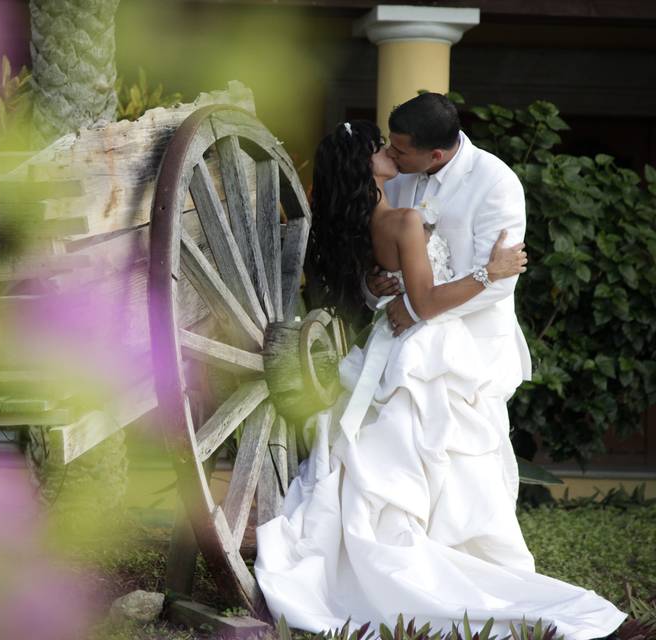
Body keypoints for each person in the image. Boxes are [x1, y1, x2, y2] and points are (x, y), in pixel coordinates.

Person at [253, 113, 626, 639]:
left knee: (440, 459)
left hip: (437, 345)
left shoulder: (485, 184)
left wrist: (396, 291)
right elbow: (423, 297)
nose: (391, 152)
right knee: (417, 451)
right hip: (421, 341)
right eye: (383, 148)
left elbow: (411, 291)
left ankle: (452, 550)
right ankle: (425, 566)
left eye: (397, 147)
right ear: (368, 167)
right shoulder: (402, 210)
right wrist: (486, 272)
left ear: (434, 154)